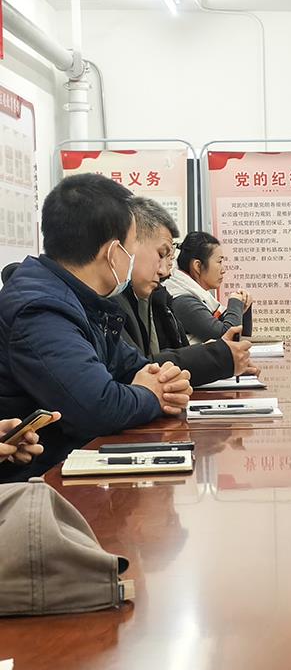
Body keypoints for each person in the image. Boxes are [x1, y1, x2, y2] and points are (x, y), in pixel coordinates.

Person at [0, 173, 192, 481]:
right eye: (133, 245)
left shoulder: (83, 300)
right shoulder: (41, 309)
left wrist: (165, 384)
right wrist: (152, 395)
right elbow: (97, 408)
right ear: (114, 252)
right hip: (40, 486)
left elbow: (136, 368)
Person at [115, 198, 259, 386]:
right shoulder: (181, 299)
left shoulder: (155, 295)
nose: (165, 270)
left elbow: (160, 357)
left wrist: (218, 358)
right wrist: (215, 357)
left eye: (170, 258)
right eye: (162, 255)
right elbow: (137, 370)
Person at [165, 231, 253, 343]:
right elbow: (227, 338)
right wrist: (235, 303)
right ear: (197, 266)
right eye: (219, 261)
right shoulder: (183, 300)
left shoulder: (199, 296)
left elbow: (243, 339)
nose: (223, 270)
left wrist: (244, 307)